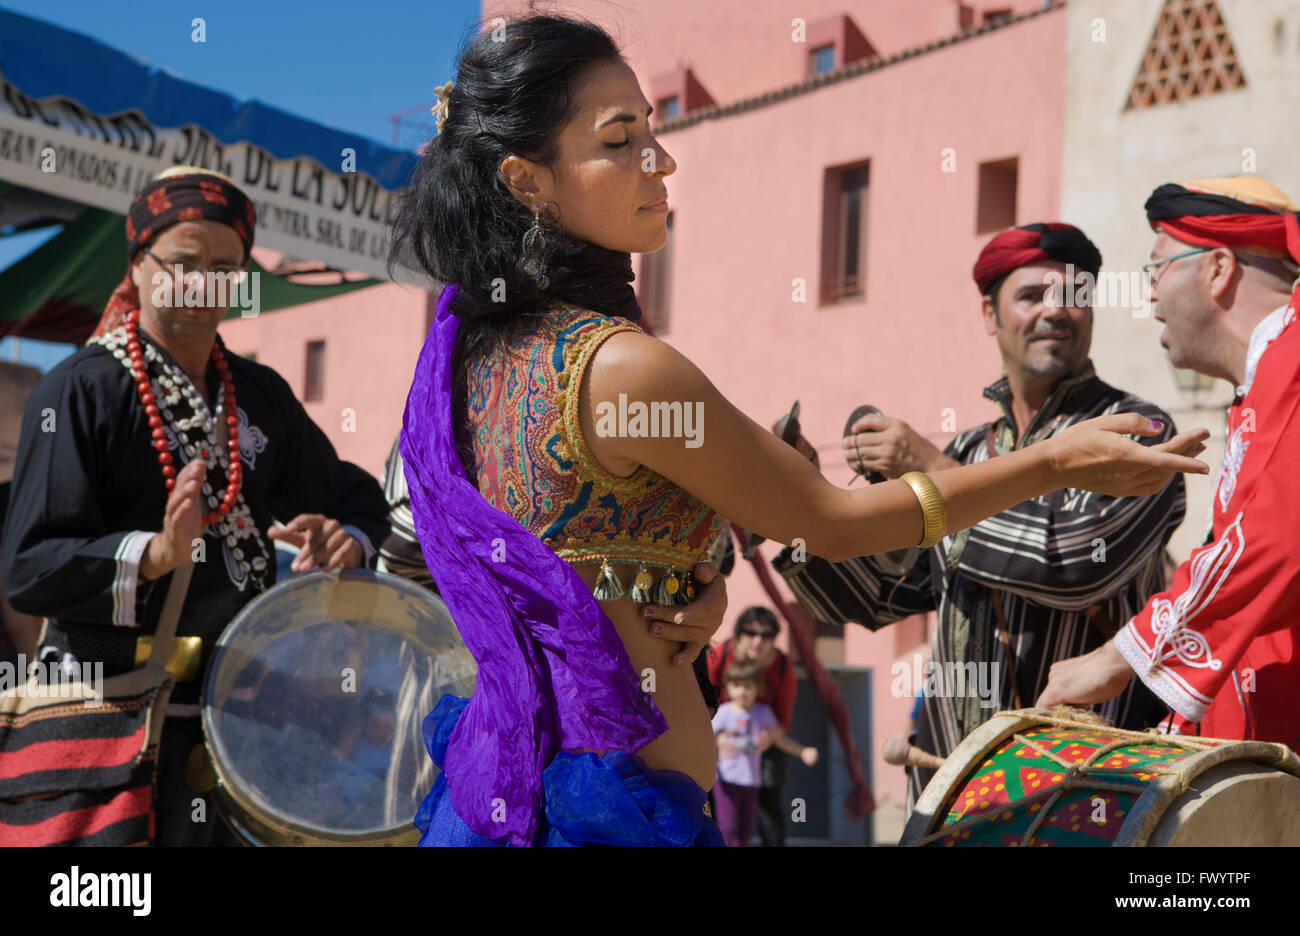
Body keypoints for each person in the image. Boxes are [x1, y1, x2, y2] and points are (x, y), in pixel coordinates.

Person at [391, 15, 1207, 848]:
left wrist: (693, 583)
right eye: (620, 139)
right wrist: (1051, 464)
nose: (660, 161)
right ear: (528, 181)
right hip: (607, 810)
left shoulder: (463, 365)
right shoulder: (618, 366)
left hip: (511, 786)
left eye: (653, 129)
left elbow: (561, 546)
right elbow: (830, 525)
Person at [0, 167, 391, 845]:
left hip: (234, 724)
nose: (202, 281)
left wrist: (345, 537)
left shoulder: (259, 395)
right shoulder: (76, 394)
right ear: (140, 265)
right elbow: (29, 568)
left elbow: (353, 495)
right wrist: (152, 555)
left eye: (224, 266)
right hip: (107, 720)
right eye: (183, 262)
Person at [773, 223, 1194, 802]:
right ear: (989, 314)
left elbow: (1073, 567)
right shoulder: (970, 450)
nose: (1056, 312)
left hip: (1085, 785)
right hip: (950, 777)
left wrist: (927, 466)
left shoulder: (1137, 431)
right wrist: (791, 499)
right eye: (1031, 296)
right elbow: (878, 597)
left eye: (1075, 296)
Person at [1038, 177, 1300, 749]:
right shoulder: (1268, 379)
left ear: (1218, 268)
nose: (1149, 294)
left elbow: (1279, 541)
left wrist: (1118, 656)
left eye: (1156, 268)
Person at [706, 606, 797, 846]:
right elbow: (701, 696)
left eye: (766, 635)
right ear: (738, 634)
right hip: (718, 736)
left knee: (769, 804)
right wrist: (717, 739)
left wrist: (769, 738)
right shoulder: (721, 653)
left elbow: (783, 716)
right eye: (750, 632)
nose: (758, 640)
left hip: (762, 738)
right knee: (712, 804)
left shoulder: (781, 666)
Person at [711, 659, 817, 847]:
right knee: (727, 829)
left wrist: (802, 751)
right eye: (736, 685)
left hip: (752, 782)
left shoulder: (763, 713)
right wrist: (718, 743)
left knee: (745, 833)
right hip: (726, 780)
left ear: (758, 688)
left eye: (748, 686)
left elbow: (779, 738)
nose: (742, 691)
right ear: (728, 687)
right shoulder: (724, 713)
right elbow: (707, 738)